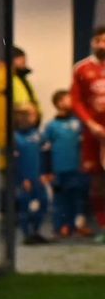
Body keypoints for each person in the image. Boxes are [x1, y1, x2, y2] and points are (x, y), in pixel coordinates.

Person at [69, 25, 105, 240]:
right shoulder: (82, 68)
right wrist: (90, 124)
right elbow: (76, 100)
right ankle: (102, 225)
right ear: (92, 43)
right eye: (98, 40)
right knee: (97, 181)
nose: (102, 45)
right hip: (94, 135)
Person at [43, 89, 91, 239]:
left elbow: (86, 144)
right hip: (59, 169)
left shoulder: (79, 122)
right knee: (61, 198)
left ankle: (80, 224)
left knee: (79, 197)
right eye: (68, 99)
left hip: (77, 167)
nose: (72, 101)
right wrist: (47, 171)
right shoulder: (51, 126)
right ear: (59, 103)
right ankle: (62, 225)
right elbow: (46, 149)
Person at [13, 102, 48, 245]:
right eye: (27, 114)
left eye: (33, 114)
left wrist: (45, 173)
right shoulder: (15, 137)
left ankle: (36, 231)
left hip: (38, 177)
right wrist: (22, 179)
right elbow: (14, 162)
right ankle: (26, 233)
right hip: (24, 179)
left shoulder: (39, 135)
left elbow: (45, 155)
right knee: (25, 205)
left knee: (43, 202)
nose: (31, 118)